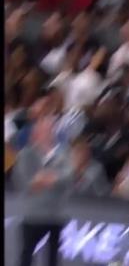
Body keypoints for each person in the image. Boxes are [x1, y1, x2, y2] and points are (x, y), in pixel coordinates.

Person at [12, 100, 73, 266]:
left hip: (55, 214)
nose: (46, 132)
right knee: (26, 255)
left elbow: (67, 176)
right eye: (42, 129)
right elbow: (25, 181)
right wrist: (48, 179)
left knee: (52, 258)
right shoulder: (26, 154)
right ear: (36, 133)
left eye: (49, 129)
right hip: (33, 214)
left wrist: (47, 178)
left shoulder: (63, 153)